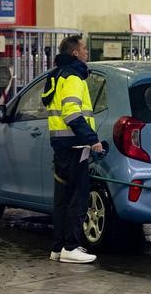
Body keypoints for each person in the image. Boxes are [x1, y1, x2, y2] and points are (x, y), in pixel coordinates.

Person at [41, 35, 104, 264]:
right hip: (75, 146)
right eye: (85, 49)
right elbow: (72, 113)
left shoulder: (56, 76)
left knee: (62, 200)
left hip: (61, 146)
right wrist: (92, 139)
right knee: (77, 198)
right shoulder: (74, 77)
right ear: (75, 53)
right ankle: (71, 246)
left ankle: (58, 248)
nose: (87, 53)